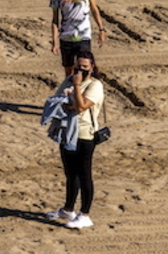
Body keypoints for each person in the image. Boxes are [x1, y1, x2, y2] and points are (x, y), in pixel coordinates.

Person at [44, 50, 104, 230]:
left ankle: (85, 214)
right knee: (70, 174)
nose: (80, 70)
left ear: (92, 67)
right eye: (77, 67)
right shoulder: (67, 80)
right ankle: (68, 209)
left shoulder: (95, 85)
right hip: (66, 132)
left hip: (85, 134)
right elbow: (57, 101)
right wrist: (70, 99)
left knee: (84, 174)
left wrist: (76, 87)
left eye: (84, 67)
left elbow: (81, 106)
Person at [50, 0, 106, 77]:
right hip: (66, 37)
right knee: (68, 71)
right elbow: (55, 20)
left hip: (83, 35)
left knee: (85, 67)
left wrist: (101, 29)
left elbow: (94, 8)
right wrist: (54, 42)